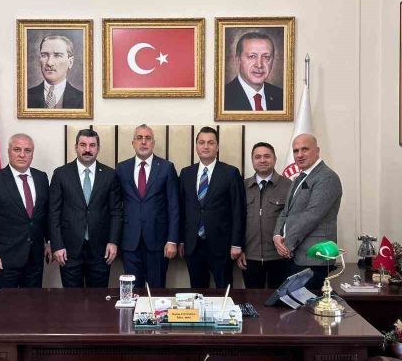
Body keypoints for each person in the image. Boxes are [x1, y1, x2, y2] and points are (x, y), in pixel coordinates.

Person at [48, 129, 123, 287]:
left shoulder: (110, 175)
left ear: (98, 148)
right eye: (83, 145)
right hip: (68, 249)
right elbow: (53, 212)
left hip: (101, 249)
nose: (87, 149)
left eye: (92, 145)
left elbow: (116, 212)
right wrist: (57, 245)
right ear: (76, 147)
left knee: (98, 297)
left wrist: (113, 241)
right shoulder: (61, 174)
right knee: (71, 298)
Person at [0, 134, 51, 289]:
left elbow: (46, 213)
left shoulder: (41, 177)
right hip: (4, 258)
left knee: (33, 301)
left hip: (35, 257)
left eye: (27, 150)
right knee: (6, 303)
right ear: (9, 151)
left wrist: (50, 241)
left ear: (32, 154)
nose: (22, 154)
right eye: (17, 149)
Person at [273, 133, 342, 291]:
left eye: (305, 149)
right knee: (293, 303)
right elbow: (285, 211)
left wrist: (287, 245)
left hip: (314, 258)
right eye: (296, 151)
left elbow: (312, 215)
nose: (299, 155)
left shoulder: (327, 177)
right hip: (296, 256)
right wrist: (277, 235)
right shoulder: (300, 177)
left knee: (309, 305)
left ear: (317, 151)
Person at [178, 126, 245, 288]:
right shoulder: (186, 173)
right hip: (193, 245)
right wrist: (180, 240)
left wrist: (237, 243)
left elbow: (238, 210)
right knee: (197, 291)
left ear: (217, 147)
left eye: (210, 142)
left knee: (224, 291)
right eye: (201, 142)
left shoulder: (230, 173)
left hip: (222, 245)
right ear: (196, 146)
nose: (206, 146)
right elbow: (181, 210)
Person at [115, 124, 179, 288]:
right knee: (133, 292)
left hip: (158, 242)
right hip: (129, 242)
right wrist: (114, 240)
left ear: (153, 143)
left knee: (156, 292)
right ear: (133, 143)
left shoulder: (166, 168)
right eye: (139, 138)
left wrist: (172, 240)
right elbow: (115, 207)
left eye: (148, 138)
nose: (143, 142)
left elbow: (174, 207)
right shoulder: (122, 168)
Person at [237, 142, 293, 289]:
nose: (262, 160)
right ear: (252, 160)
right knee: (253, 299)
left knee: (279, 299)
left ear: (274, 159)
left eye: (267, 156)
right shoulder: (242, 186)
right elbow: (237, 221)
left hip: (280, 256)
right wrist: (240, 248)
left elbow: (294, 219)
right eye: (258, 157)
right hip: (250, 257)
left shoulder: (289, 186)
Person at [224, 32, 283, 111]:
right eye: (252, 56)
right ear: (238, 59)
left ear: (272, 60)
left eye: (266, 57)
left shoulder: (282, 97)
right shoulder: (222, 97)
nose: (259, 65)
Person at [27, 35, 84, 109]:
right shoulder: (25, 96)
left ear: (70, 62)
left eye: (57, 55)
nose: (49, 63)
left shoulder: (83, 99)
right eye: (44, 55)